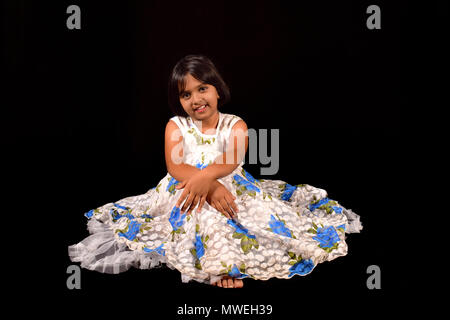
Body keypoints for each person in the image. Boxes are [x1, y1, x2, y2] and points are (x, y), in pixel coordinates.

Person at [68, 54, 363, 289]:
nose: (196, 99)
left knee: (241, 215)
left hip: (231, 184)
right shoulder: (176, 126)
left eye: (202, 89)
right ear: (179, 101)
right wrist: (206, 187)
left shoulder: (234, 124)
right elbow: (176, 166)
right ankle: (221, 265)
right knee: (202, 212)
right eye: (186, 94)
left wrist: (210, 179)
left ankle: (230, 259)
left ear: (218, 90)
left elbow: (232, 160)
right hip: (182, 186)